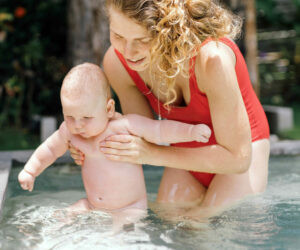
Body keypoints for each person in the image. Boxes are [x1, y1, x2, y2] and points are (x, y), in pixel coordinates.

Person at [69, 0, 270, 218]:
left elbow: (238, 158)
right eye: (118, 36)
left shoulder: (213, 60)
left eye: (142, 40)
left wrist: (152, 154)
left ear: (171, 30)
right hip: (184, 153)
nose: (128, 51)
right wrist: (92, 139)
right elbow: (142, 136)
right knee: (171, 226)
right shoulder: (117, 63)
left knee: (208, 226)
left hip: (241, 152)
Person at [18, 63, 212, 227]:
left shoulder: (125, 126)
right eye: (70, 116)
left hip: (131, 208)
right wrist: (30, 171)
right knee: (62, 217)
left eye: (86, 117)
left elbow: (159, 130)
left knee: (118, 235)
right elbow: (50, 149)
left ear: (109, 109)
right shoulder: (69, 132)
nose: (78, 125)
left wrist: (190, 132)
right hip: (92, 205)